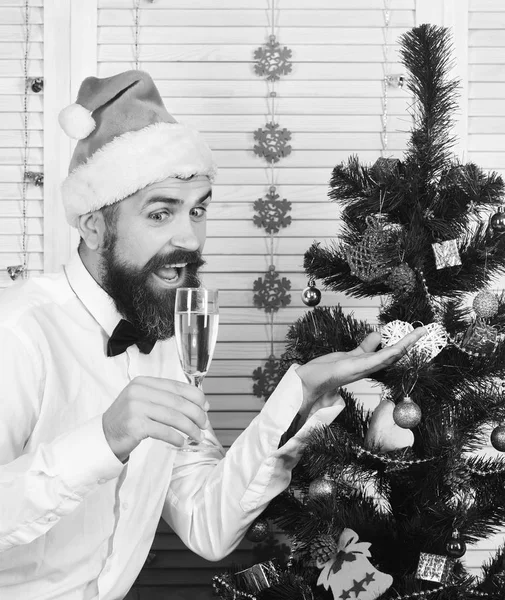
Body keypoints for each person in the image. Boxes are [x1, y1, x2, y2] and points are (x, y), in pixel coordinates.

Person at [0, 70, 426, 600]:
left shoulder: (171, 335)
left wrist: (299, 395)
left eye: (197, 210)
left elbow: (207, 525)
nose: (189, 238)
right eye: (161, 213)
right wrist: (104, 440)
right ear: (92, 225)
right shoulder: (16, 335)